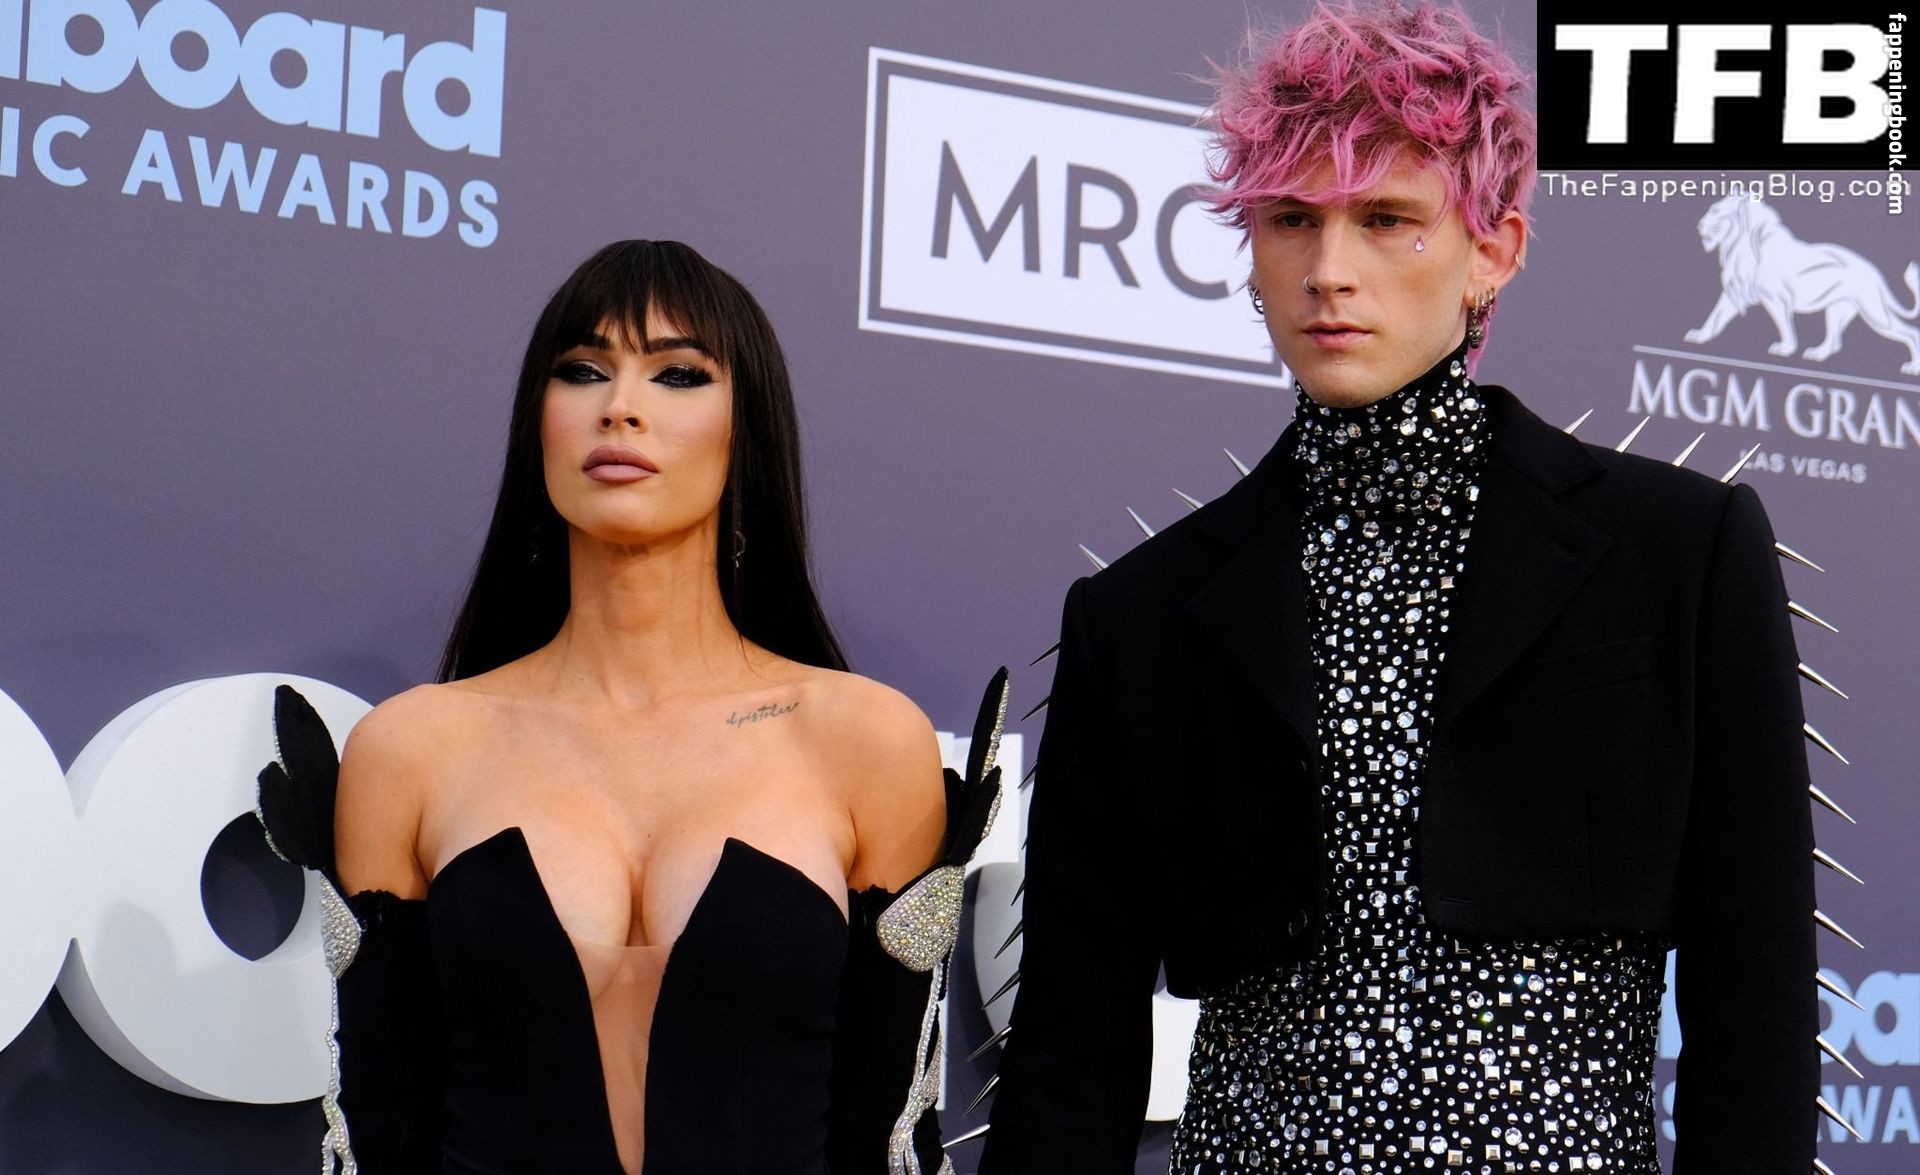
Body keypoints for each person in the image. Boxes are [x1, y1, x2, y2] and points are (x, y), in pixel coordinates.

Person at [978, 3, 1821, 1172]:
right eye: (1291, 220)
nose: (1330, 272)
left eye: (1386, 220)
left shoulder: (1678, 550)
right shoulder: (1140, 616)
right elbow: (1070, 1061)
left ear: (1495, 250)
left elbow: (1756, 1003)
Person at [254, 239, 1005, 1175]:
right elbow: (380, 1133)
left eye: (678, 373)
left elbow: (884, 1133)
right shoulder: (413, 747)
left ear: (745, 430)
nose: (620, 406)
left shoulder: (863, 740)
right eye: (583, 369)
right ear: (538, 423)